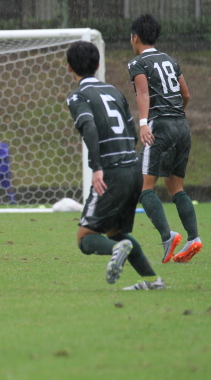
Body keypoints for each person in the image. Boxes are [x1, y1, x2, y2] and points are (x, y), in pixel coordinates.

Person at [66, 40, 164, 290]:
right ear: (98, 65)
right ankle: (154, 280)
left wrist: (97, 167)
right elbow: (132, 133)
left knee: (85, 237)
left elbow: (88, 126)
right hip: (133, 168)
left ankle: (117, 251)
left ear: (69, 68)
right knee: (114, 231)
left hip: (111, 171)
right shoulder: (114, 91)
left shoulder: (78, 96)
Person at [128, 14, 202, 264]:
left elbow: (143, 93)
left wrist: (143, 123)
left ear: (135, 37)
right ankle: (194, 237)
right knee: (175, 187)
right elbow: (186, 94)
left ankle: (167, 236)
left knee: (144, 186)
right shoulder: (170, 61)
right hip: (181, 125)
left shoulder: (138, 64)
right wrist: (176, 113)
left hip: (160, 126)